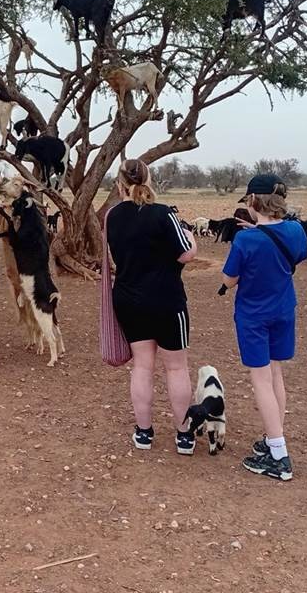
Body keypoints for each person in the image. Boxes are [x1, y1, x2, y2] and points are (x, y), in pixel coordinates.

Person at [220, 174, 307, 481]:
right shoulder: (296, 230)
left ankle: (279, 455)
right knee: (275, 374)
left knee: (261, 380)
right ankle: (273, 437)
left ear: (253, 201)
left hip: (253, 316)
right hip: (284, 310)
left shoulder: (245, 239)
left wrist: (254, 239)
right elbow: (299, 255)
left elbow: (229, 279)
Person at [106, 158, 198, 454]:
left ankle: (144, 432)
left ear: (119, 184)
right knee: (176, 367)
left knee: (142, 366)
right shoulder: (163, 213)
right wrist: (192, 240)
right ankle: (184, 435)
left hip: (128, 300)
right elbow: (185, 254)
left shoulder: (112, 216)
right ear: (149, 180)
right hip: (167, 300)